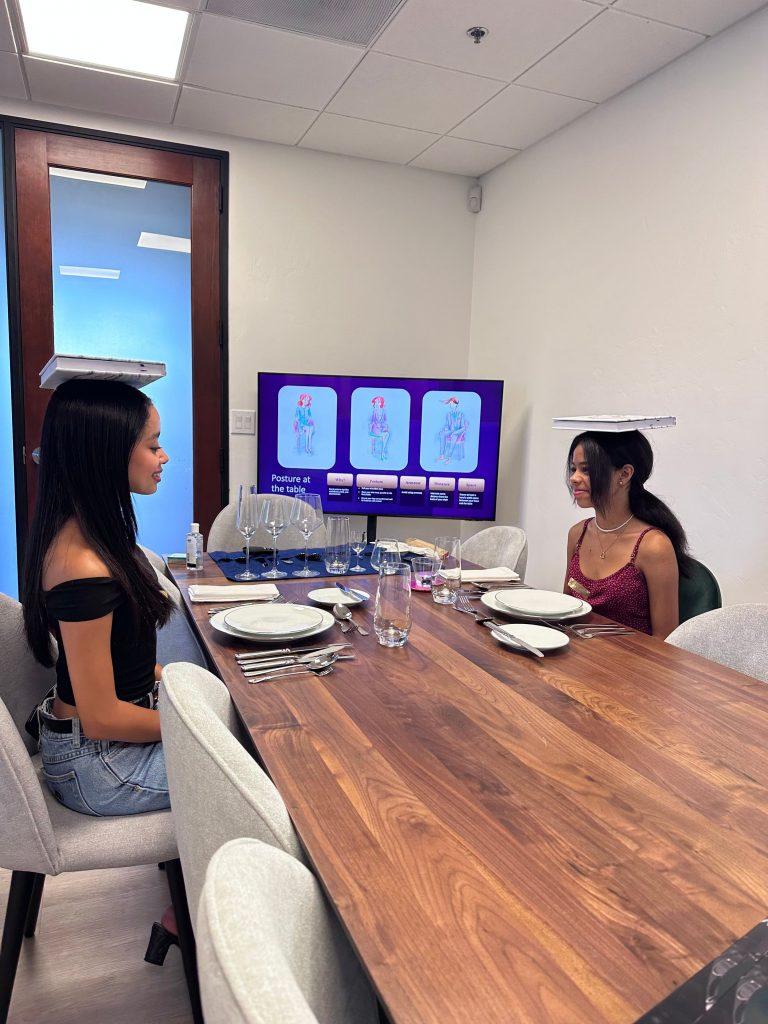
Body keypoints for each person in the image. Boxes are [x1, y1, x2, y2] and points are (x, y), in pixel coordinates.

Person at [22, 378, 178, 962]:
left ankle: (195, 896)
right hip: (98, 764)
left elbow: (125, 665)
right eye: (152, 444)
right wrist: (196, 725)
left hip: (101, 745)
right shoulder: (82, 565)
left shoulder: (95, 537)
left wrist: (178, 688)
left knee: (246, 742)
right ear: (109, 453)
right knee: (263, 771)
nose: (164, 457)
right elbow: (104, 717)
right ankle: (192, 913)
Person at [564, 430, 690, 638]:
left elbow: (665, 641)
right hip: (578, 653)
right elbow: (566, 612)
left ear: (624, 474)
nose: (574, 478)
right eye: (573, 468)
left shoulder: (653, 546)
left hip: (632, 658)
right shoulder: (577, 534)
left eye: (586, 470)